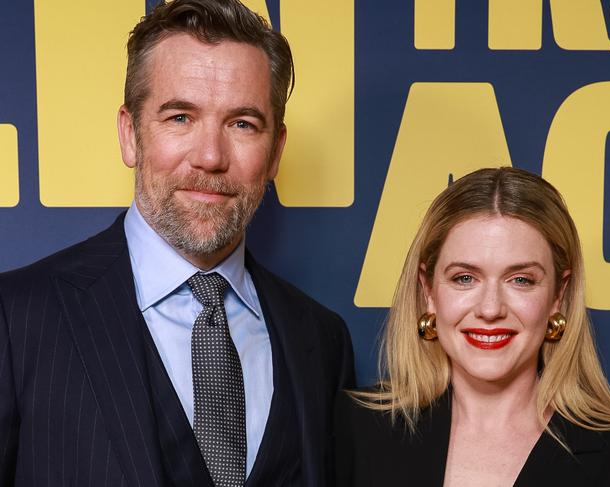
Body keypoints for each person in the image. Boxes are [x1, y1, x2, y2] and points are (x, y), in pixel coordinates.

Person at [0, 1, 354, 486]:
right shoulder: (16, 318)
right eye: (180, 118)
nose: (210, 157)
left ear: (276, 152)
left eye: (242, 124)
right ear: (130, 134)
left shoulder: (321, 340)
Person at [335, 167, 610, 487]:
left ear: (559, 295)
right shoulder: (351, 433)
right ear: (428, 291)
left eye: (521, 280)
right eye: (465, 278)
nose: (490, 309)